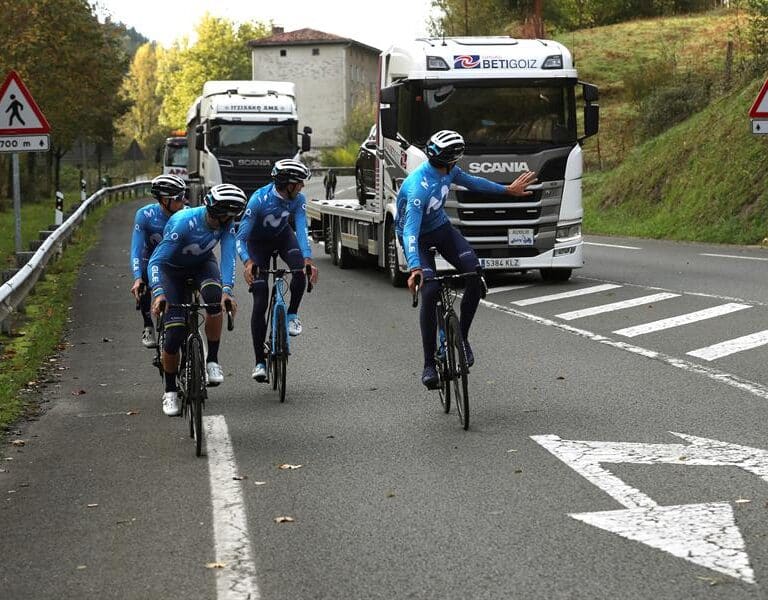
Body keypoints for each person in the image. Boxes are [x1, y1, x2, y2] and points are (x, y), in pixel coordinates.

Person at [396, 130, 538, 389]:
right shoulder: (418, 186)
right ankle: (429, 364)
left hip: (441, 229)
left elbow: (474, 182)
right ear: (450, 158)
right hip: (418, 237)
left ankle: (461, 338)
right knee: (430, 291)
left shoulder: (448, 171)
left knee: (474, 274)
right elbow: (409, 231)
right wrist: (415, 266)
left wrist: (507, 190)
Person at [148, 183, 247, 416]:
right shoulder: (184, 223)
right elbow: (156, 262)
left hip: (202, 264)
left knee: (214, 298)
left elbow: (229, 257)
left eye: (233, 216)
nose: (229, 221)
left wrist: (228, 290)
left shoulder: (225, 223)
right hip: (171, 270)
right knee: (173, 334)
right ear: (213, 211)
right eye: (226, 216)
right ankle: (170, 391)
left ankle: (212, 360)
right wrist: (159, 292)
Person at [236, 159, 318, 383]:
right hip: (257, 245)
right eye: (298, 183)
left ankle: (291, 314)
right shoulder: (258, 200)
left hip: (283, 238)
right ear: (286, 183)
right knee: (260, 300)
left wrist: (308, 258)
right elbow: (240, 238)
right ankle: (259, 362)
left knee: (299, 269)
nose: (301, 187)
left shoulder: (298, 199)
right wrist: (247, 262)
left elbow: (301, 230)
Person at [129, 174, 187, 349]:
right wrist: (138, 277)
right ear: (163, 200)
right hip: (151, 258)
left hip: (178, 259)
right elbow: (136, 249)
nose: (183, 201)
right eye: (178, 197)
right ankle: (148, 325)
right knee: (144, 281)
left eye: (184, 195)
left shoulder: (187, 213)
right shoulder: (145, 215)